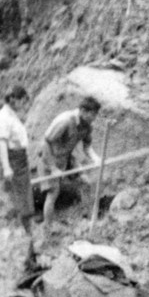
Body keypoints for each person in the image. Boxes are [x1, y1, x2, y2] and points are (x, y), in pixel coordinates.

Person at [36, 96, 103, 225]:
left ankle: (90, 220)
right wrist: (53, 168)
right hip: (48, 158)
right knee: (53, 192)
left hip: (66, 157)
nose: (94, 118)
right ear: (83, 111)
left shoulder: (87, 125)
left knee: (85, 182)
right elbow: (46, 143)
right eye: (92, 114)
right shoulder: (65, 121)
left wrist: (95, 158)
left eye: (96, 114)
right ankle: (47, 228)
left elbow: (87, 145)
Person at [0, 85, 38, 257]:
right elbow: (2, 143)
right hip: (11, 159)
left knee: (25, 201)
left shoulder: (12, 116)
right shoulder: (3, 117)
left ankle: (29, 237)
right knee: (8, 199)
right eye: (22, 101)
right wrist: (6, 167)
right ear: (14, 100)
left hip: (20, 159)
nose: (23, 105)